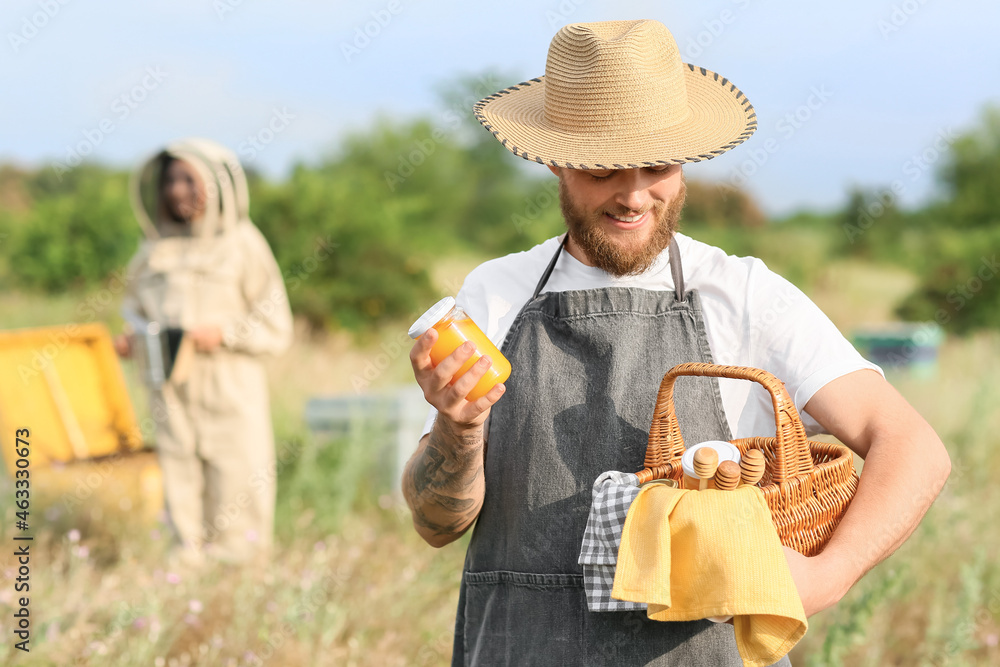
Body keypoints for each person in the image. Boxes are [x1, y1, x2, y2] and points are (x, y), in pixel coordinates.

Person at [403, 20, 951, 666]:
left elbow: (913, 446)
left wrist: (826, 575)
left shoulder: (743, 294)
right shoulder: (496, 294)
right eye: (605, 168)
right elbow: (438, 523)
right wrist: (459, 427)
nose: (634, 194)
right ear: (556, 157)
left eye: (657, 166)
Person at [115, 138, 293, 565]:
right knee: (179, 477)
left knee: (237, 476)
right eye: (170, 180)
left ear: (215, 184)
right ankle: (186, 577)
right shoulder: (151, 251)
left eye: (188, 179)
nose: (177, 190)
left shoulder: (244, 244)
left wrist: (225, 332)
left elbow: (276, 326)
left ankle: (240, 577)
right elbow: (135, 312)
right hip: (168, 386)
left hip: (229, 384)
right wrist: (130, 340)